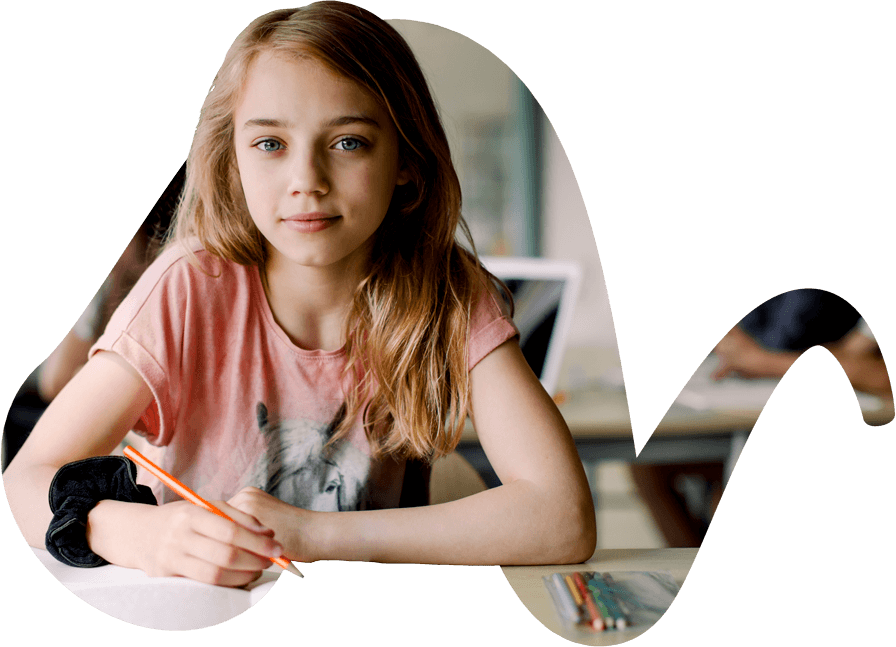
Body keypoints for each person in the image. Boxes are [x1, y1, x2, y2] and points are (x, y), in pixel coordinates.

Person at [4, 2, 595, 588]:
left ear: (407, 160)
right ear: (232, 162)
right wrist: (139, 534)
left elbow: (562, 517)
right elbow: (21, 483)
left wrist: (312, 534)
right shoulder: (189, 285)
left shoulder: (446, 292)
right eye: (270, 144)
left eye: (349, 142)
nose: (306, 180)